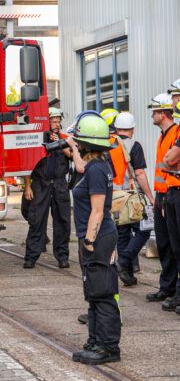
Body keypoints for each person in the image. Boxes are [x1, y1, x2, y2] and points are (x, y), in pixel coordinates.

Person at [66, 114, 121, 365]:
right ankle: (95, 342)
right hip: (93, 238)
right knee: (93, 293)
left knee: (102, 293)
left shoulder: (97, 169)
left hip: (98, 238)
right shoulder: (94, 166)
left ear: (87, 144)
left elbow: (98, 210)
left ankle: (108, 348)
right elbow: (80, 166)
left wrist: (88, 241)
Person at [23, 107, 73, 269]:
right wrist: (27, 187)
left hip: (59, 184)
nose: (57, 124)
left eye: (59, 121)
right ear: (46, 122)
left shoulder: (65, 138)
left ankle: (62, 257)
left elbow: (72, 155)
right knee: (36, 221)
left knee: (63, 221)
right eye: (54, 121)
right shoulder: (35, 139)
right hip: (40, 184)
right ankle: (31, 257)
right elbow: (27, 164)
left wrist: (59, 142)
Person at [111, 113, 154, 286]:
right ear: (132, 129)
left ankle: (127, 274)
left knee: (122, 234)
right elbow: (139, 173)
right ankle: (125, 260)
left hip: (114, 196)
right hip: (131, 196)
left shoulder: (109, 144)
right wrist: (150, 196)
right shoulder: (134, 145)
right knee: (143, 230)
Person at [145, 93, 179, 303]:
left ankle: (174, 290)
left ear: (163, 113)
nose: (152, 116)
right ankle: (166, 287)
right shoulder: (163, 135)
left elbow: (170, 163)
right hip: (162, 195)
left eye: (155, 112)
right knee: (164, 244)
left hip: (171, 193)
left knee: (175, 246)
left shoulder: (175, 134)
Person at [161, 100, 180, 313]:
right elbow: (168, 160)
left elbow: (170, 158)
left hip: (177, 192)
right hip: (171, 191)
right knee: (175, 248)